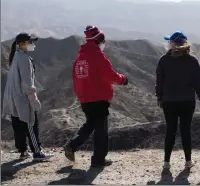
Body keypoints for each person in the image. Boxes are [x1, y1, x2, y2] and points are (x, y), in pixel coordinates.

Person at [63, 25, 128, 167]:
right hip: (98, 98)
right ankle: (98, 160)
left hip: (84, 98)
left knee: (90, 123)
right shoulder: (98, 56)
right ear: (98, 40)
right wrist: (123, 79)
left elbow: (75, 78)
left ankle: (72, 145)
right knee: (101, 131)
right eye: (103, 41)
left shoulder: (80, 57)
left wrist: (80, 95)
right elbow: (110, 75)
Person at [155, 31, 200, 169]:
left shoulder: (164, 60)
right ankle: (188, 162)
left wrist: (160, 97)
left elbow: (159, 82)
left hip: (169, 101)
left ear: (172, 43)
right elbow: (199, 83)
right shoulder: (192, 61)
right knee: (186, 130)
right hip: (187, 101)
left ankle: (166, 163)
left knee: (170, 130)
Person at [2, 33, 54, 161]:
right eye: (29, 42)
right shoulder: (24, 58)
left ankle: (23, 151)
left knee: (18, 125)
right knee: (31, 123)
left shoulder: (15, 57)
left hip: (14, 98)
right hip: (23, 98)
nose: (32, 44)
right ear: (21, 44)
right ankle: (37, 152)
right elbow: (27, 82)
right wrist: (33, 98)